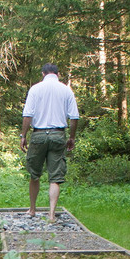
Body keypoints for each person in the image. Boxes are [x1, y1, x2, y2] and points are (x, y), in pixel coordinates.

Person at [19, 63, 79, 222]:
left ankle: (32, 209)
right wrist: (71, 137)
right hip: (58, 135)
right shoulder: (66, 90)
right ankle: (51, 214)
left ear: (43, 73)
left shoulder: (35, 89)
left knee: (34, 174)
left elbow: (28, 115)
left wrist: (23, 135)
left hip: (38, 135)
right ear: (57, 74)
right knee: (55, 177)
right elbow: (74, 117)